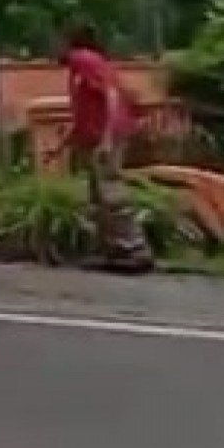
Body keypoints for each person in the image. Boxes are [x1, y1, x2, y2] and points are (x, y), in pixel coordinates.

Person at [62, 25, 154, 274]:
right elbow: (85, 107)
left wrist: (107, 137)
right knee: (98, 195)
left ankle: (134, 247)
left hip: (107, 135)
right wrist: (69, 139)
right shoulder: (87, 64)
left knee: (111, 191)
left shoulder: (83, 60)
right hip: (97, 136)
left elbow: (110, 96)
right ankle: (112, 249)